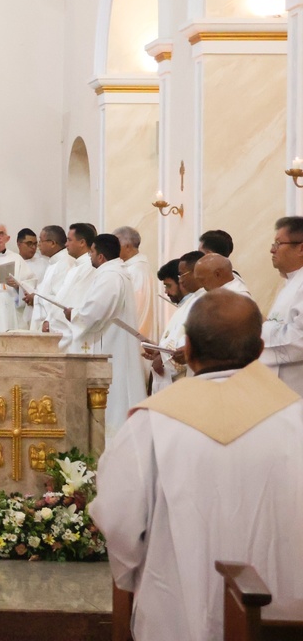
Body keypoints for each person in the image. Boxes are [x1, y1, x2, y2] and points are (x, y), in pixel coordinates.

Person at [91, 290, 303, 641]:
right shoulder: (296, 419)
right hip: (283, 620)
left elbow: (116, 518)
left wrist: (133, 576)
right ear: (260, 350)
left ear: (187, 349)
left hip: (174, 615)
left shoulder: (151, 424)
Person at [68, 233, 145, 438]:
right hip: (114, 341)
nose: (90, 256)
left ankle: (112, 442)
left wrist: (73, 314)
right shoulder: (115, 272)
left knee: (116, 396)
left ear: (101, 256)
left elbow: (95, 313)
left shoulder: (110, 276)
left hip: (113, 345)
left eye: (92, 252)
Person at [144, 252, 204, 393]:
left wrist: (163, 357)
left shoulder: (201, 301)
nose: (181, 280)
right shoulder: (189, 303)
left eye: (182, 275)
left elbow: (191, 341)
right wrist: (159, 351)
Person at [262, 216, 303, 395]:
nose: (272, 249)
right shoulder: (290, 283)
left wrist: (258, 326)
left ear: (301, 248)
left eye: (278, 243)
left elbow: (299, 339)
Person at [43, 223, 99, 349]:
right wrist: (49, 319)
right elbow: (61, 296)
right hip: (60, 331)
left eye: (69, 240)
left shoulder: (89, 267)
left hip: (70, 333)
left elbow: (76, 302)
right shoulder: (76, 266)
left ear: (82, 242)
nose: (66, 244)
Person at [115, 226, 158, 340]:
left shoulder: (136, 271)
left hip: (132, 335)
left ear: (128, 247)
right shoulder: (133, 268)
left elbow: (134, 307)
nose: (112, 248)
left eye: (115, 244)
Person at [27, 225, 71, 331]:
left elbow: (60, 298)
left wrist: (48, 320)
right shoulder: (53, 262)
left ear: (52, 243)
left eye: (41, 241)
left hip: (54, 325)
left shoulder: (64, 263)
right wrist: (36, 296)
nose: (39, 245)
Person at [15, 227, 47, 327]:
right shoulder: (13, 262)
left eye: (35, 244)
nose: (33, 247)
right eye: (29, 244)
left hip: (37, 311)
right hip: (16, 312)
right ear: (19, 244)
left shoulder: (44, 264)